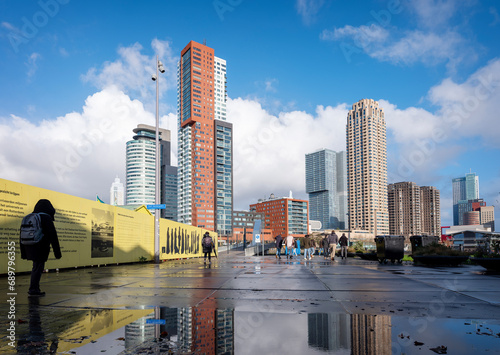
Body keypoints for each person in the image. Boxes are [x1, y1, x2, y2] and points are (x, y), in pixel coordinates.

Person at [20, 199, 61, 297]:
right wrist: (57, 252)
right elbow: (53, 236)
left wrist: (23, 252)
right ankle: (33, 289)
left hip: (29, 246)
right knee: (38, 267)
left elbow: (21, 234)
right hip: (40, 246)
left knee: (36, 267)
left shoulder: (29, 217)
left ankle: (34, 288)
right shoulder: (46, 217)